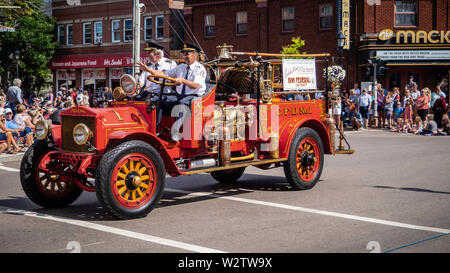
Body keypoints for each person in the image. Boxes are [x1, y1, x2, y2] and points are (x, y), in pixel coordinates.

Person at [138, 42, 206, 141]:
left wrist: (182, 80)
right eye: (184, 54)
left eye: (187, 54)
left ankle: (176, 133)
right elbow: (164, 75)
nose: (185, 56)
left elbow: (195, 85)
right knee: (159, 100)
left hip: (194, 96)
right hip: (179, 95)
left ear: (195, 54)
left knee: (181, 103)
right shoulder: (181, 67)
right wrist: (148, 70)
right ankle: (155, 129)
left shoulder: (199, 69)